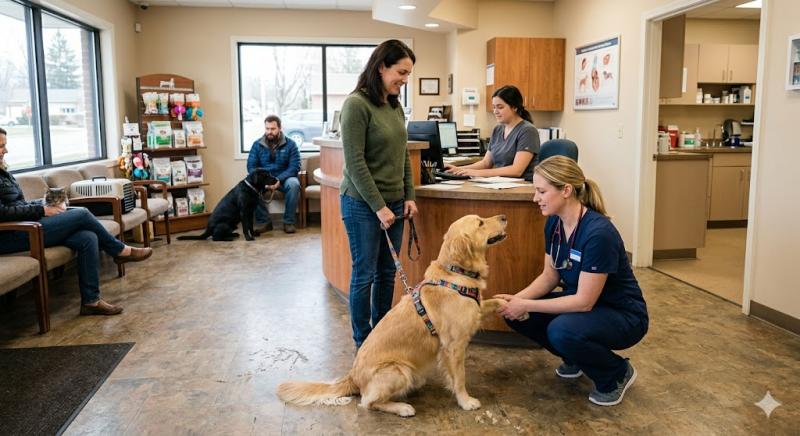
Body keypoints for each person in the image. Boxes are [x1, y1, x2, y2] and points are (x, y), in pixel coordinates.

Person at [496, 155, 648, 407]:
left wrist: (527, 305)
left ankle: (616, 373)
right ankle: (577, 356)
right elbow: (549, 276)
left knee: (561, 330)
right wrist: (516, 300)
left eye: (541, 191)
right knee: (517, 314)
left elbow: (584, 302)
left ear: (566, 190)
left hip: (622, 315)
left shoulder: (598, 234)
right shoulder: (554, 225)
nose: (536, 198)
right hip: (585, 307)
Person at [0, 127, 153, 316]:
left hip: (26, 225)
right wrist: (41, 209)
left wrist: (44, 203)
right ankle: (119, 250)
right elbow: (2, 213)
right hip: (11, 236)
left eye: (5, 145)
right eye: (1, 146)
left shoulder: (3, 172)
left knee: (87, 237)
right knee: (81, 213)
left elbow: (18, 204)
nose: (5, 150)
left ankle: (91, 301)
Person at [339, 39, 418, 348]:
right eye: (401, 71)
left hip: (395, 203)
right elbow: (355, 162)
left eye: (409, 74)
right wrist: (378, 206)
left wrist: (408, 195)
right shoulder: (356, 104)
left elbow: (403, 157)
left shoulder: (394, 106)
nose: (404, 80)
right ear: (382, 66)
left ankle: (380, 338)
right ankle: (363, 343)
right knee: (366, 273)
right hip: (362, 204)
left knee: (387, 274)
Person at [445, 85, 540, 180]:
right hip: (501, 183)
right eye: (494, 107)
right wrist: (458, 169)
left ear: (514, 107)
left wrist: (475, 173)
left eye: (500, 107)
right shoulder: (498, 129)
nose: (495, 111)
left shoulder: (528, 131)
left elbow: (516, 170)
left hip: (522, 185)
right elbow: (486, 163)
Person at [247, 114, 301, 234]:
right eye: (267, 129)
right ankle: (264, 222)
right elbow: (251, 167)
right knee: (249, 187)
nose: (269, 132)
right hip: (264, 180)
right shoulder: (257, 145)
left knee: (294, 184)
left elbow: (295, 167)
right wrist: (264, 182)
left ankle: (288, 222)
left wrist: (278, 180)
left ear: (280, 128)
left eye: (273, 129)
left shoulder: (291, 144)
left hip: (284, 178)